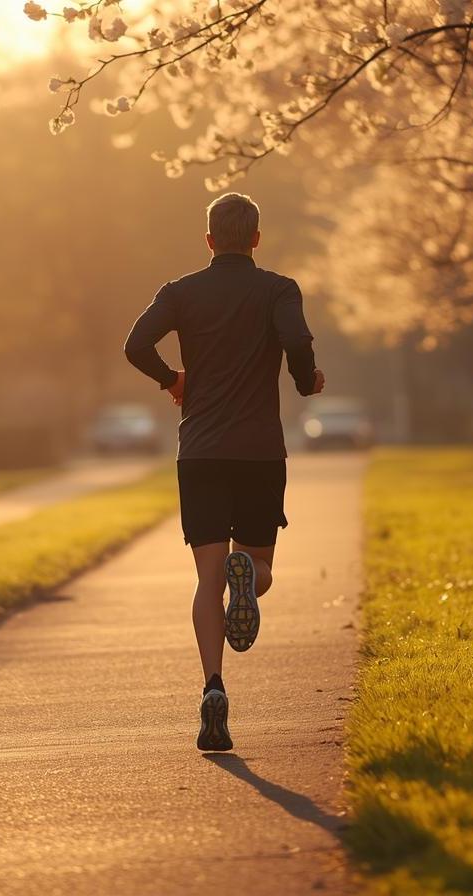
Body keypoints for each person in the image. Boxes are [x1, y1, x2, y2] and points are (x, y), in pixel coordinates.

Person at [124, 192, 325, 751]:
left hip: (201, 454)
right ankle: (250, 578)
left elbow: (135, 344)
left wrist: (173, 380)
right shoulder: (278, 290)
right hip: (259, 450)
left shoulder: (180, 292)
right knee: (258, 567)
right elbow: (297, 341)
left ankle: (213, 689)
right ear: (256, 239)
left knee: (206, 579)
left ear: (209, 240)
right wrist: (307, 382)